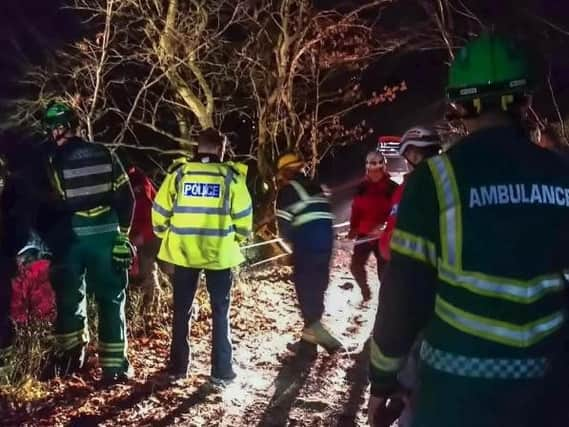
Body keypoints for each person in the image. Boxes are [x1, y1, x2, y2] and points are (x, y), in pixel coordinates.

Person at [368, 34, 569, 427]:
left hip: (456, 397)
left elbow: (404, 294)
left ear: (457, 105)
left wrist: (382, 378)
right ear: (525, 101)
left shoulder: (436, 181)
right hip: (550, 393)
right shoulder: (562, 174)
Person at [42, 101, 135, 384]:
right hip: (106, 235)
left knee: (69, 299)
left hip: (70, 239)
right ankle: (114, 368)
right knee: (111, 298)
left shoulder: (51, 163)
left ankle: (70, 362)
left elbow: (47, 208)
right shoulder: (105, 154)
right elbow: (127, 198)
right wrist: (123, 236)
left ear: (57, 130)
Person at [152, 128, 252, 384]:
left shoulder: (180, 173)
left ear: (198, 147)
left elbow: (160, 209)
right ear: (221, 149)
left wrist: (163, 232)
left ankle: (178, 367)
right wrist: (236, 239)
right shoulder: (231, 177)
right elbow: (243, 220)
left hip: (184, 253)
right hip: (219, 254)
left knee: (182, 310)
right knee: (220, 311)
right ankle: (221, 370)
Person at [275, 152, 343, 357]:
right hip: (326, 246)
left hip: (307, 247)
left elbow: (285, 230)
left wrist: (287, 250)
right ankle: (307, 345)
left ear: (285, 172)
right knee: (316, 291)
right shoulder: (315, 187)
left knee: (306, 294)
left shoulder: (287, 191)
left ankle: (325, 338)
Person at [379, 127, 441, 262]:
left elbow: (389, 247)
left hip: (414, 270)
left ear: (413, 156)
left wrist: (384, 238)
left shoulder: (408, 189)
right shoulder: (451, 183)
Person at [348, 150, 396, 301]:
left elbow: (398, 213)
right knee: (355, 266)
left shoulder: (392, 188)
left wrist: (386, 228)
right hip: (364, 234)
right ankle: (365, 291)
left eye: (378, 171)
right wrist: (353, 228)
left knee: (385, 272)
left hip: (384, 236)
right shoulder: (361, 188)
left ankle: (387, 299)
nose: (375, 174)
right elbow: (356, 210)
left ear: (383, 169)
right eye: (372, 171)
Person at [127, 166, 161, 313]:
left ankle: (150, 310)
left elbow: (154, 216)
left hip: (150, 234)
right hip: (130, 235)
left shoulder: (138, 183)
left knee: (147, 268)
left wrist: (142, 236)